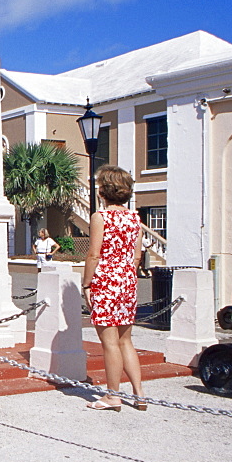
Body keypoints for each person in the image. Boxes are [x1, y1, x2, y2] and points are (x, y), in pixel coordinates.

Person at [81, 165, 146, 412]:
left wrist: (87, 283)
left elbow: (94, 254)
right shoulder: (134, 219)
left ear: (103, 191)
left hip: (106, 281)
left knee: (109, 342)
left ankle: (112, 395)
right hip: (127, 280)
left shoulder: (101, 217)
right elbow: (137, 256)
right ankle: (139, 394)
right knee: (125, 340)